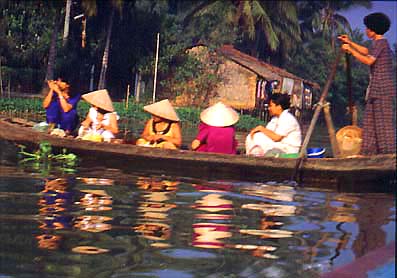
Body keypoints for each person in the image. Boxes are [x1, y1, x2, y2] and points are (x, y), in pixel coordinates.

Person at [338, 12, 396, 155]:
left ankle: (387, 155)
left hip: (382, 91)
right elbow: (366, 51)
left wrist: (350, 50)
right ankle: (368, 154)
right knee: (369, 124)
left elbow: (369, 60)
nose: (365, 31)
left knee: (383, 125)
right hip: (375, 90)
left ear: (372, 29)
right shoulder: (378, 43)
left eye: (367, 28)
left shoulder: (382, 43)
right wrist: (350, 42)